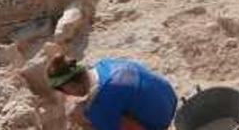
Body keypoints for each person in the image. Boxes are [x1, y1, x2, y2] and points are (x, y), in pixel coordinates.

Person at [47, 54, 177, 130]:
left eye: (64, 91)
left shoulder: (97, 106)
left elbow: (106, 100)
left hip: (161, 122)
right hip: (170, 100)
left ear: (71, 85)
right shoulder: (105, 64)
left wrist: (85, 119)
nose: (68, 95)